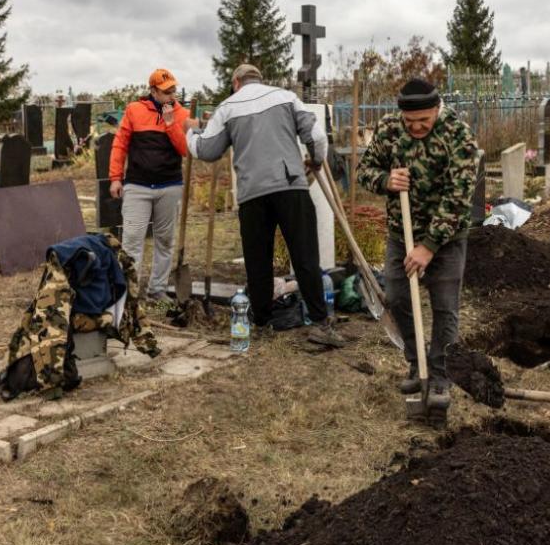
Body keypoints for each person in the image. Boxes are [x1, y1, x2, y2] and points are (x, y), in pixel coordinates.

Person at [186, 64, 345, 348]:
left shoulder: (228, 107)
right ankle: (322, 324)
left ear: (236, 82)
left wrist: (191, 132)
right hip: (291, 185)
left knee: (258, 260)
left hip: (252, 193)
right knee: (305, 255)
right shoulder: (285, 97)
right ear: (260, 79)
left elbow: (206, 151)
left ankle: (260, 323)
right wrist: (317, 160)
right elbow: (318, 137)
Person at [357, 78, 478, 409]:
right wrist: (386, 180)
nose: (417, 127)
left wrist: (428, 246)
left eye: (424, 120)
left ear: (437, 110)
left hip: (447, 237)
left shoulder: (459, 136)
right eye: (410, 122)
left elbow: (458, 199)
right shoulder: (390, 129)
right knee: (396, 297)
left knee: (444, 306)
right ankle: (417, 361)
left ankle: (439, 375)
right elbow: (363, 170)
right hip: (401, 232)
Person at [108, 68, 190, 302]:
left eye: (173, 90)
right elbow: (120, 144)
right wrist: (115, 177)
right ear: (153, 91)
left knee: (165, 240)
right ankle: (129, 293)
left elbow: (184, 149)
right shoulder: (134, 110)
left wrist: (170, 124)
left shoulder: (181, 114)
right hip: (138, 186)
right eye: (166, 92)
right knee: (132, 239)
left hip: (170, 185)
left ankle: (157, 291)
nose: (171, 96)